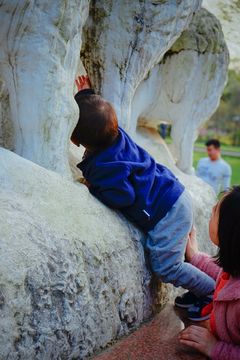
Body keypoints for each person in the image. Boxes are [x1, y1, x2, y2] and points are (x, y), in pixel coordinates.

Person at [71, 75, 215, 299]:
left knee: (167, 267)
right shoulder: (117, 135)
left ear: (74, 141)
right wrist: (86, 95)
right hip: (176, 195)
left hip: (166, 215)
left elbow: (123, 196)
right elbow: (98, 117)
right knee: (177, 259)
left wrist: (92, 188)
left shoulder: (104, 166)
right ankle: (204, 287)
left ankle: (214, 292)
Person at [179, 185, 240, 359]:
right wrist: (196, 257)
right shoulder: (235, 268)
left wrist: (216, 348)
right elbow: (222, 274)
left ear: (228, 232)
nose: (212, 209)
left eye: (216, 212)